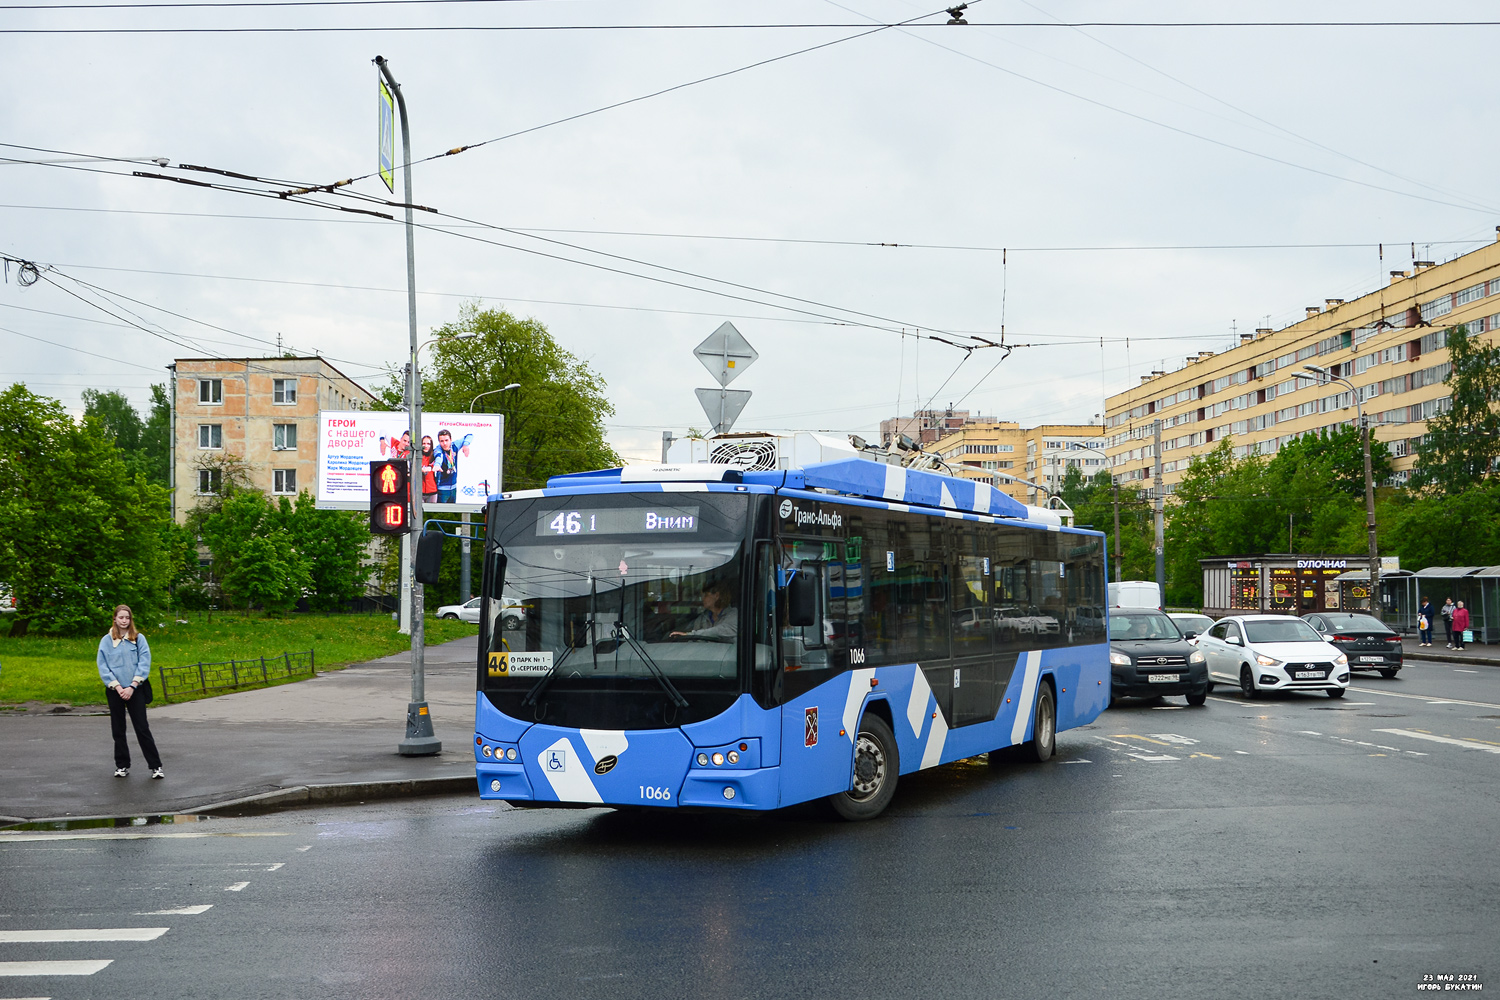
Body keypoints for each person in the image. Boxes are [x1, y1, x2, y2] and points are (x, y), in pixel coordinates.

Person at [96, 605, 163, 779]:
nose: (124, 621)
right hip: (115, 691)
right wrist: (118, 687)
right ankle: (122, 765)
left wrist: (132, 686)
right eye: (121, 618)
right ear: (115, 619)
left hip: (135, 690)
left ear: (130, 620)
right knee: (118, 729)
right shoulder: (106, 641)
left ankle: (155, 766)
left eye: (127, 618)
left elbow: (144, 662)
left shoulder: (139, 639)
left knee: (142, 728)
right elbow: (103, 666)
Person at [671, 581, 738, 640]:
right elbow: (691, 632)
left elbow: (718, 631)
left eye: (706, 595)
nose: (702, 599)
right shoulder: (703, 617)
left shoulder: (734, 615)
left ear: (717, 596)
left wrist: (690, 635)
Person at [434, 428, 473, 504]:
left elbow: (470, 435)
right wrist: (437, 465)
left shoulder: (454, 446)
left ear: (451, 440)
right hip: (442, 489)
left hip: (454, 487)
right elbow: (438, 457)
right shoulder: (438, 450)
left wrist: (465, 445)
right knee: (442, 513)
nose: (444, 443)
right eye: (442, 441)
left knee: (452, 511)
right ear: (439, 442)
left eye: (446, 440)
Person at [419, 435, 438, 504]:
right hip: (419, 492)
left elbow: (436, 465)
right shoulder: (417, 456)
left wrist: (430, 468)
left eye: (428, 444)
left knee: (432, 514)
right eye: (424, 443)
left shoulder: (434, 455)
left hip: (432, 491)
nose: (426, 446)